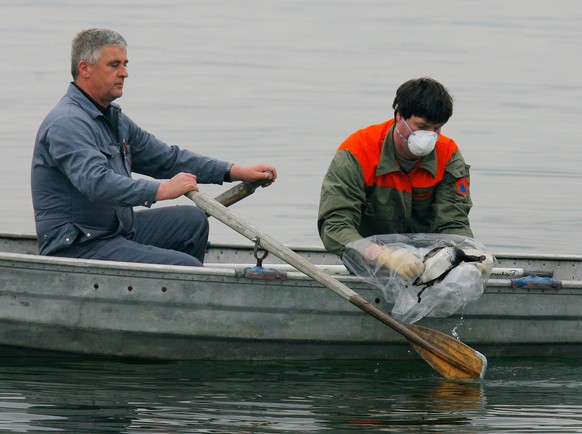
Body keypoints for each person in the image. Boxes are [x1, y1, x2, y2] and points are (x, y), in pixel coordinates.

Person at [31, 28, 277, 267]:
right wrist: (162, 189)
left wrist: (233, 171)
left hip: (113, 233)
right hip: (78, 247)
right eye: (114, 65)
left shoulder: (114, 119)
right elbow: (96, 182)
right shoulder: (68, 122)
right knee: (186, 266)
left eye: (125, 64)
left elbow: (167, 159)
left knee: (191, 221)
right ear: (84, 68)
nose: (124, 73)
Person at [318, 77, 473, 281]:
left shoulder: (448, 155)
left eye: (436, 128)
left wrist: (467, 256)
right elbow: (335, 225)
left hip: (431, 267)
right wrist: (383, 255)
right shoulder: (357, 153)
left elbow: (453, 222)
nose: (430, 136)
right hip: (368, 266)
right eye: (422, 126)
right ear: (399, 117)